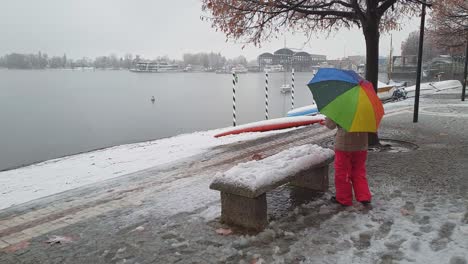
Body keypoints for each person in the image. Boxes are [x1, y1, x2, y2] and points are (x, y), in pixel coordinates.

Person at [324, 117, 372, 207]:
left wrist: (328, 118)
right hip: (361, 145)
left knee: (343, 173)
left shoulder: (339, 107)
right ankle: (364, 197)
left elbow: (330, 125)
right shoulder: (363, 109)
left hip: (344, 146)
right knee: (359, 171)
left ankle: (343, 199)